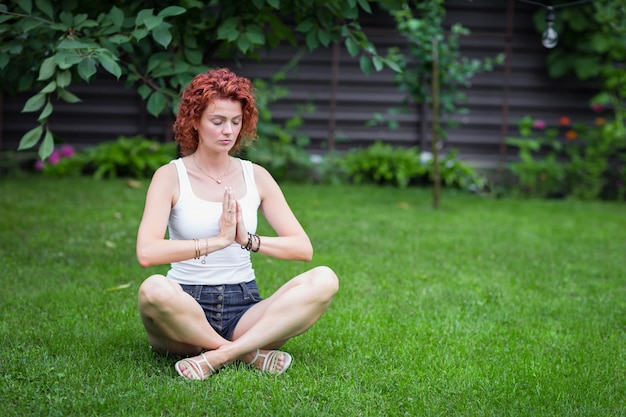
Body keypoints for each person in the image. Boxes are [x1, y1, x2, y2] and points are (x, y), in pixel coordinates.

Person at [135, 68, 339, 380]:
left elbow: (303, 248)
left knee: (324, 279)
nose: (228, 130)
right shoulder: (170, 176)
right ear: (195, 121)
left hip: (244, 309)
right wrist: (216, 242)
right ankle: (246, 353)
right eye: (217, 121)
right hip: (183, 310)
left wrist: (247, 240)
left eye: (235, 121)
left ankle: (220, 355)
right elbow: (147, 252)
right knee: (153, 290)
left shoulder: (255, 176)